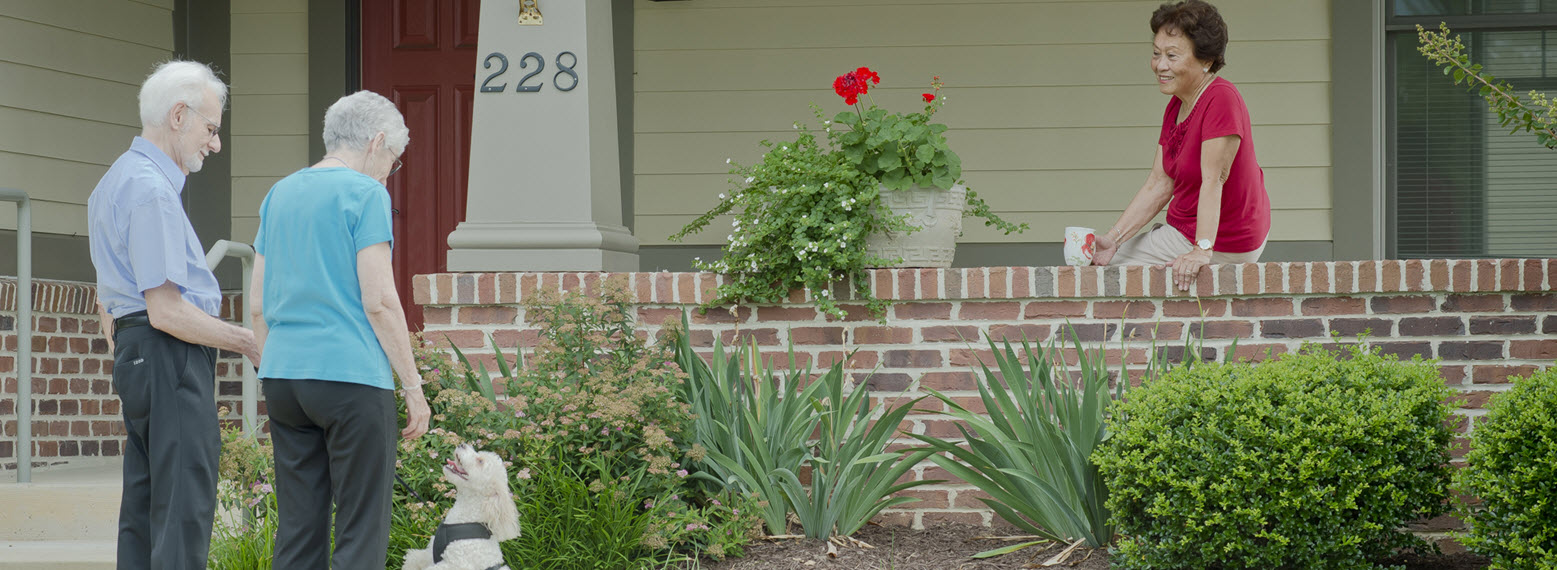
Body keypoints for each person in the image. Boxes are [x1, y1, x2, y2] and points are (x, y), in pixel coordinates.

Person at [87, 60, 261, 569]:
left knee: (143, 511)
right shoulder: (151, 190)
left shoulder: (114, 181)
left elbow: (106, 304)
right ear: (179, 115)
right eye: (212, 129)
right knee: (183, 510)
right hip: (168, 355)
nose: (216, 143)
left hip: (138, 355)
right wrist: (247, 341)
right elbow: (165, 310)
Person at [249, 90, 432, 569]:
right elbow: (379, 301)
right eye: (393, 159)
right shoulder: (366, 193)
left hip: (285, 379)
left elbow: (255, 307)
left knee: (298, 528)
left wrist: (274, 367)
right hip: (351, 378)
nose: (389, 171)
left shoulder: (280, 192)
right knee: (359, 528)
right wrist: (412, 386)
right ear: (375, 142)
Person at [1092, 0, 1271, 291]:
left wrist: (1201, 250)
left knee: (1106, 272)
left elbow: (1215, 180)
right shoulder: (1177, 104)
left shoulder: (1221, 99)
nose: (1160, 65)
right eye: (1156, 53)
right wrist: (1113, 238)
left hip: (1224, 237)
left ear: (1206, 60)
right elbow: (1159, 183)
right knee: (1107, 255)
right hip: (1187, 228)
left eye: (1172, 55)